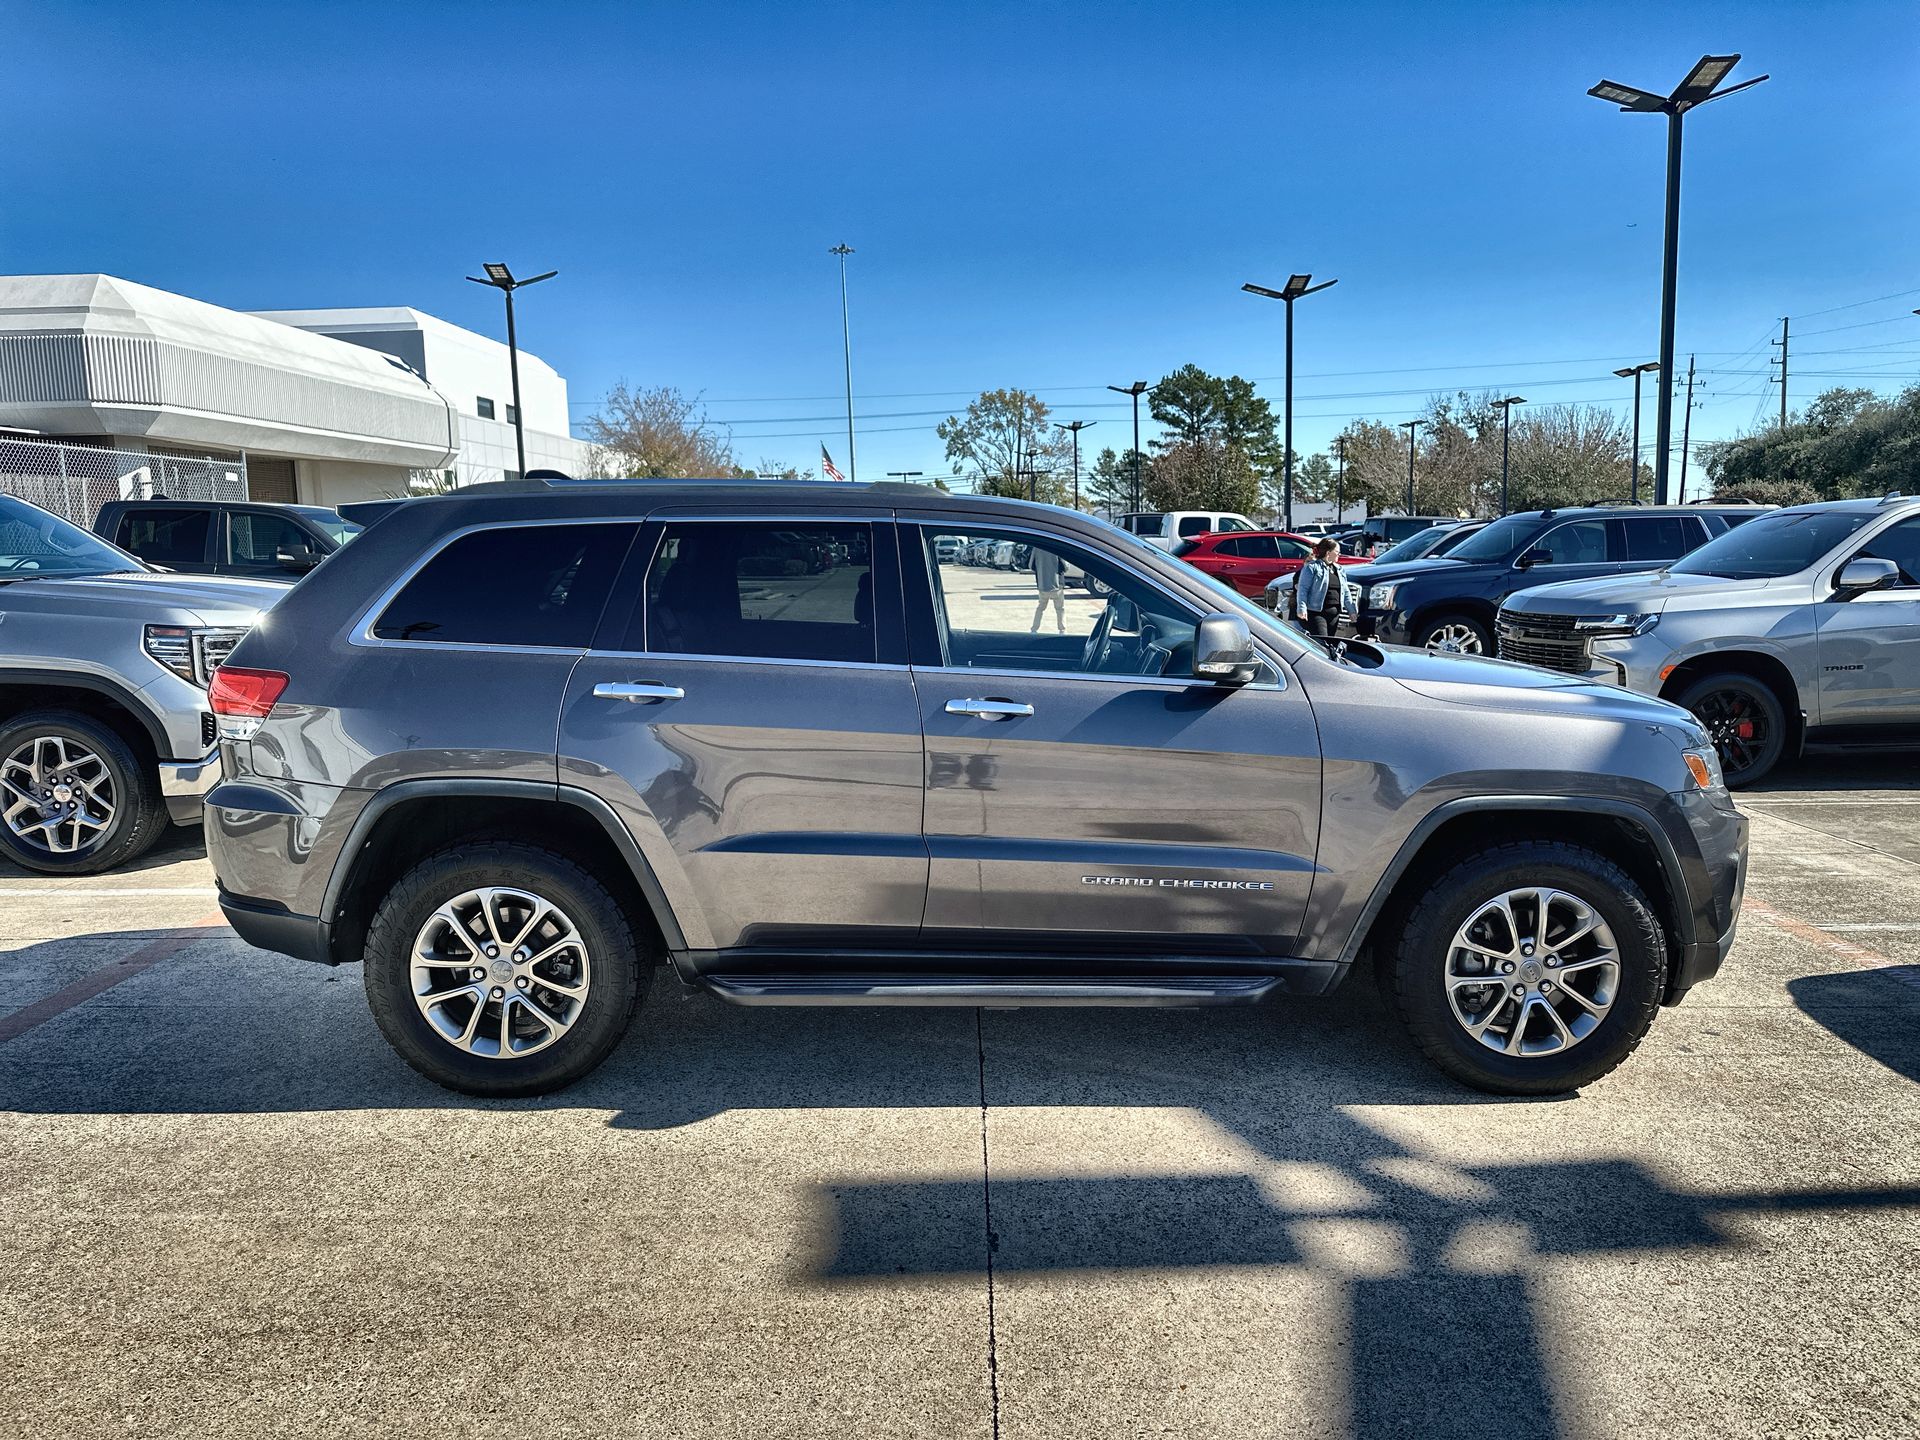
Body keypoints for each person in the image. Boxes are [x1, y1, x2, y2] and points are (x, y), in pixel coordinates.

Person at [1292, 538, 1344, 639]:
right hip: (1317, 612)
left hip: (1334, 613)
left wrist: (1352, 610)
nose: (1339, 554)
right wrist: (1302, 608)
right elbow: (1303, 589)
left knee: (1331, 642)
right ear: (1328, 553)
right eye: (1337, 552)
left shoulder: (1339, 569)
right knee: (1321, 641)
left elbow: (1345, 591)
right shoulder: (1312, 567)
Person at [1030, 546, 1066, 634]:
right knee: (1060, 609)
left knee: (1040, 608)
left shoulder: (1036, 548)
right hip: (1056, 585)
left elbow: (1031, 565)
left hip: (1042, 584)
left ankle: (1034, 629)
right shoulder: (1057, 547)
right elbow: (1064, 566)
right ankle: (1062, 630)